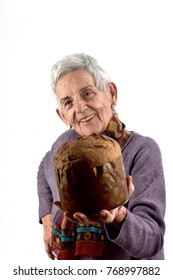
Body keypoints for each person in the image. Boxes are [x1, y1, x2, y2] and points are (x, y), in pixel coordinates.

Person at [37, 53, 166, 260]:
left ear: (111, 93)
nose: (80, 107)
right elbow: (44, 169)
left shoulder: (142, 150)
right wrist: (46, 216)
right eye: (68, 102)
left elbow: (152, 240)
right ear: (62, 115)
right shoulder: (65, 143)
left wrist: (119, 218)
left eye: (87, 93)